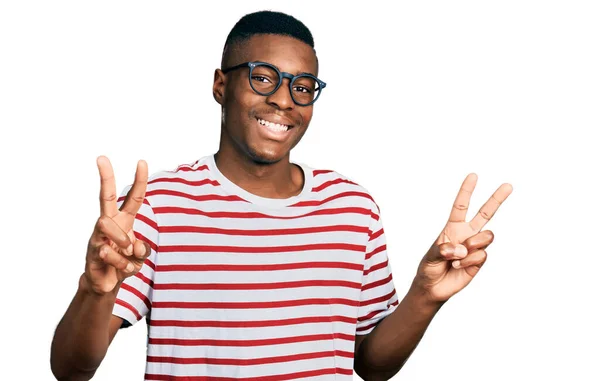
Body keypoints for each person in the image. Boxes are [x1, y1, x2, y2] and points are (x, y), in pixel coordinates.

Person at [50, 10, 512, 381]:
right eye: (263, 77)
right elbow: (71, 370)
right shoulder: (159, 203)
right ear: (220, 84)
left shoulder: (352, 206)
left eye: (302, 87)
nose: (285, 100)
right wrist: (95, 291)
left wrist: (425, 297)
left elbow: (371, 365)